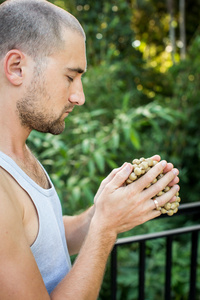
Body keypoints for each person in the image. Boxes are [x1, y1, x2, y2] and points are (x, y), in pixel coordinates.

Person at [0, 0, 180, 299]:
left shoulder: (19, 156)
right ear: (16, 68)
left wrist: (104, 210)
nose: (79, 96)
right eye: (70, 77)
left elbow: (47, 237)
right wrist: (104, 230)